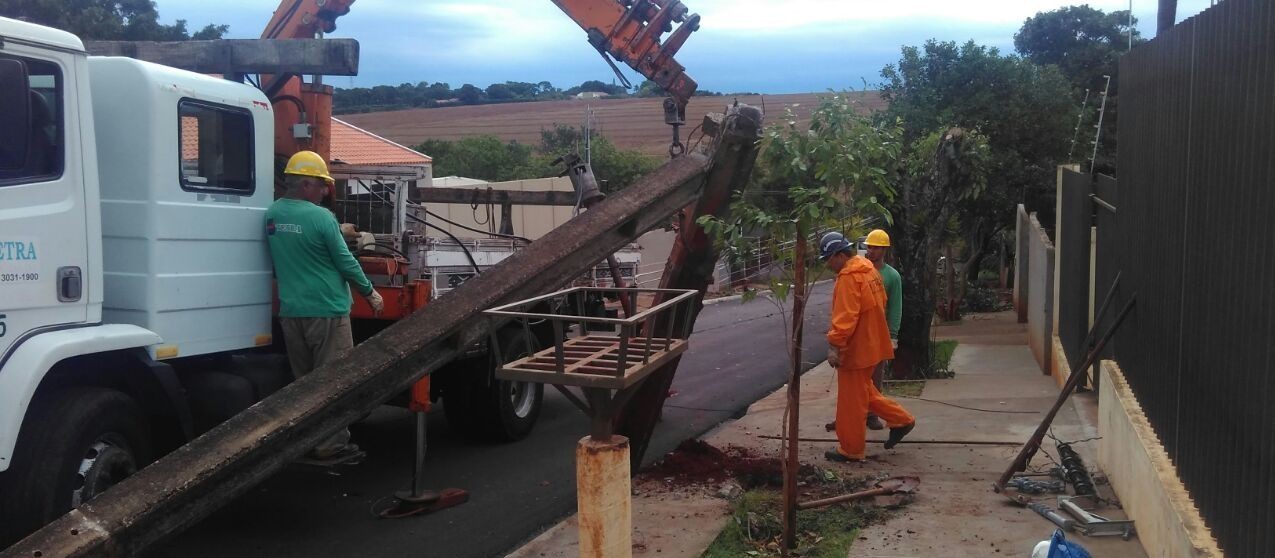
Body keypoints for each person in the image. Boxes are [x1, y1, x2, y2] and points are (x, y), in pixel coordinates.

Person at [266, 150, 384, 461]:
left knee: (304, 384)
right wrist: (370, 292)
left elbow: (294, 244)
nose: (325, 191)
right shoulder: (322, 218)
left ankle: (306, 440)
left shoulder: (272, 215)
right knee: (333, 382)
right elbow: (345, 261)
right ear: (306, 184)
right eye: (321, 185)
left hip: (292, 312)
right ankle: (330, 443)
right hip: (327, 311)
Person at [819, 231, 915, 462]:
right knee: (865, 391)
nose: (827, 264)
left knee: (852, 402)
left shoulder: (850, 277)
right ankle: (902, 420)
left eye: (828, 259)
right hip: (871, 344)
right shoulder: (868, 270)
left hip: (857, 350)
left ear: (839, 255)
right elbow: (880, 303)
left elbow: (845, 317)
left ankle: (851, 450)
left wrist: (835, 345)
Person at [864, 229, 902, 431]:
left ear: (884, 249)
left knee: (875, 377)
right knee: (856, 378)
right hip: (861, 334)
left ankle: (871, 415)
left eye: (876, 247)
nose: (871, 251)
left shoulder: (891, 276)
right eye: (869, 247)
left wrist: (893, 335)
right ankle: (852, 414)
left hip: (880, 334)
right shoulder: (860, 271)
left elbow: (896, 307)